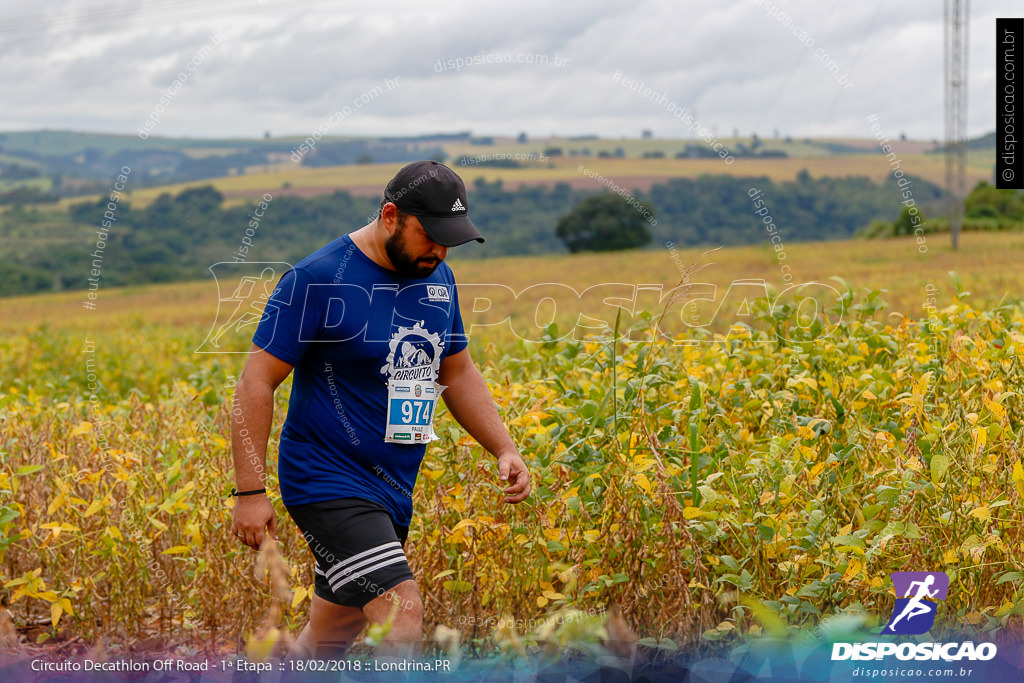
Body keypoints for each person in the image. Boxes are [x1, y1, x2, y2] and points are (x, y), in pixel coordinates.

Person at [229, 160, 531, 658]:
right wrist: (249, 491)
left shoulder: (437, 278)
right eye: (429, 235)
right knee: (400, 609)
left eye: (450, 239)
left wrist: (504, 447)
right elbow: (255, 383)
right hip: (325, 480)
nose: (439, 249)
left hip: (391, 488)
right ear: (390, 215)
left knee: (329, 635)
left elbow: (456, 373)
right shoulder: (318, 278)